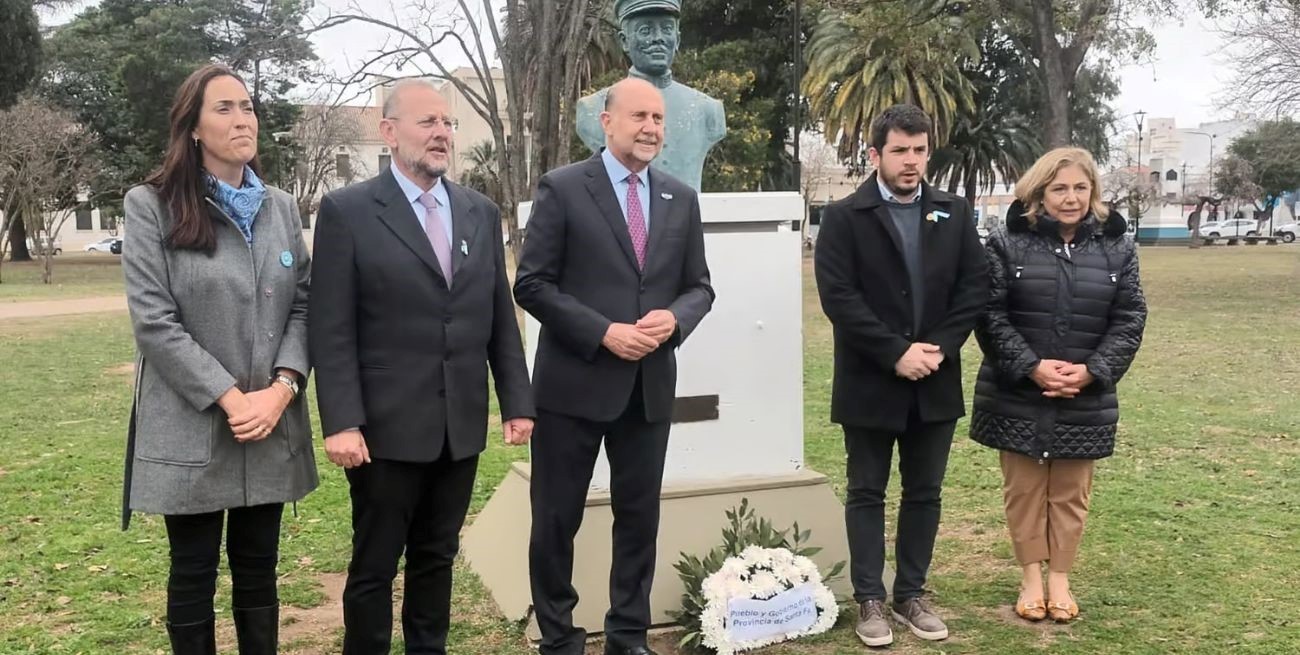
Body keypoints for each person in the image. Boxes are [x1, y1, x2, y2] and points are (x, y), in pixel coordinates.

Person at [308, 79, 535, 655]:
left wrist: (517, 401)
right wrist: (341, 421)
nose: (442, 133)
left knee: (437, 556)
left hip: (459, 425)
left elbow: (497, 314)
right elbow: (331, 327)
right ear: (389, 132)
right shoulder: (348, 212)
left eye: (447, 123)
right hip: (384, 430)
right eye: (427, 122)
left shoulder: (479, 212)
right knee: (375, 564)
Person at [515, 77, 714, 655]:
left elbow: (699, 287)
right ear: (607, 122)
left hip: (647, 390)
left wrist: (675, 319)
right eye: (639, 117)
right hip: (572, 389)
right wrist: (602, 332)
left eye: (658, 118)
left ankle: (628, 635)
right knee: (556, 521)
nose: (651, 128)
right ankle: (559, 637)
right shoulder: (562, 188)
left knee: (639, 520)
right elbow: (532, 284)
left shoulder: (680, 197)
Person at [121, 63, 316, 654]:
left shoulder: (281, 208)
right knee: (193, 572)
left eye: (248, 106)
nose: (242, 120)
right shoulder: (151, 205)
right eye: (224, 108)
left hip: (269, 422)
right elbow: (155, 322)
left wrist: (280, 390)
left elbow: (305, 305)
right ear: (194, 127)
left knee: (259, 569)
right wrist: (233, 400)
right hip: (196, 423)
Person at [813, 104, 989, 648]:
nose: (911, 161)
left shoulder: (954, 212)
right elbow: (839, 298)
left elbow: (974, 287)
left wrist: (938, 349)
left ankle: (910, 593)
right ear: (875, 155)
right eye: (899, 151)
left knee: (924, 492)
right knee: (866, 490)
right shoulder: (844, 217)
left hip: (935, 379)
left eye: (919, 150)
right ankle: (869, 598)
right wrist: (895, 352)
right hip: (870, 380)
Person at [970, 147, 1147, 623]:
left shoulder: (1118, 247)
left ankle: (1061, 580)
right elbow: (990, 314)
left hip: (1085, 393)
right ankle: (1031, 578)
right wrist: (1031, 367)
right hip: (1018, 391)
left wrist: (1093, 371)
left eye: (1080, 188)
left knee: (1071, 491)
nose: (1071, 198)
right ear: (1040, 193)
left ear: (1093, 191)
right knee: (1024, 489)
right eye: (1060, 188)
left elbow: (1130, 317)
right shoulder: (1007, 242)